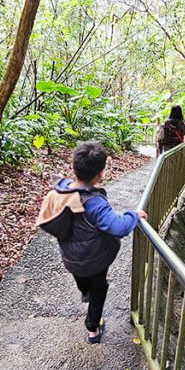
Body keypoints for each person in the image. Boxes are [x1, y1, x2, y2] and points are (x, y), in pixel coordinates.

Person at [35, 141, 147, 343]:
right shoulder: (94, 202)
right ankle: (93, 329)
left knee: (83, 281)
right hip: (94, 261)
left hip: (70, 258)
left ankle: (85, 292)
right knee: (99, 288)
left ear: (74, 167)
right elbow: (119, 227)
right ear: (101, 173)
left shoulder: (63, 192)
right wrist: (134, 215)